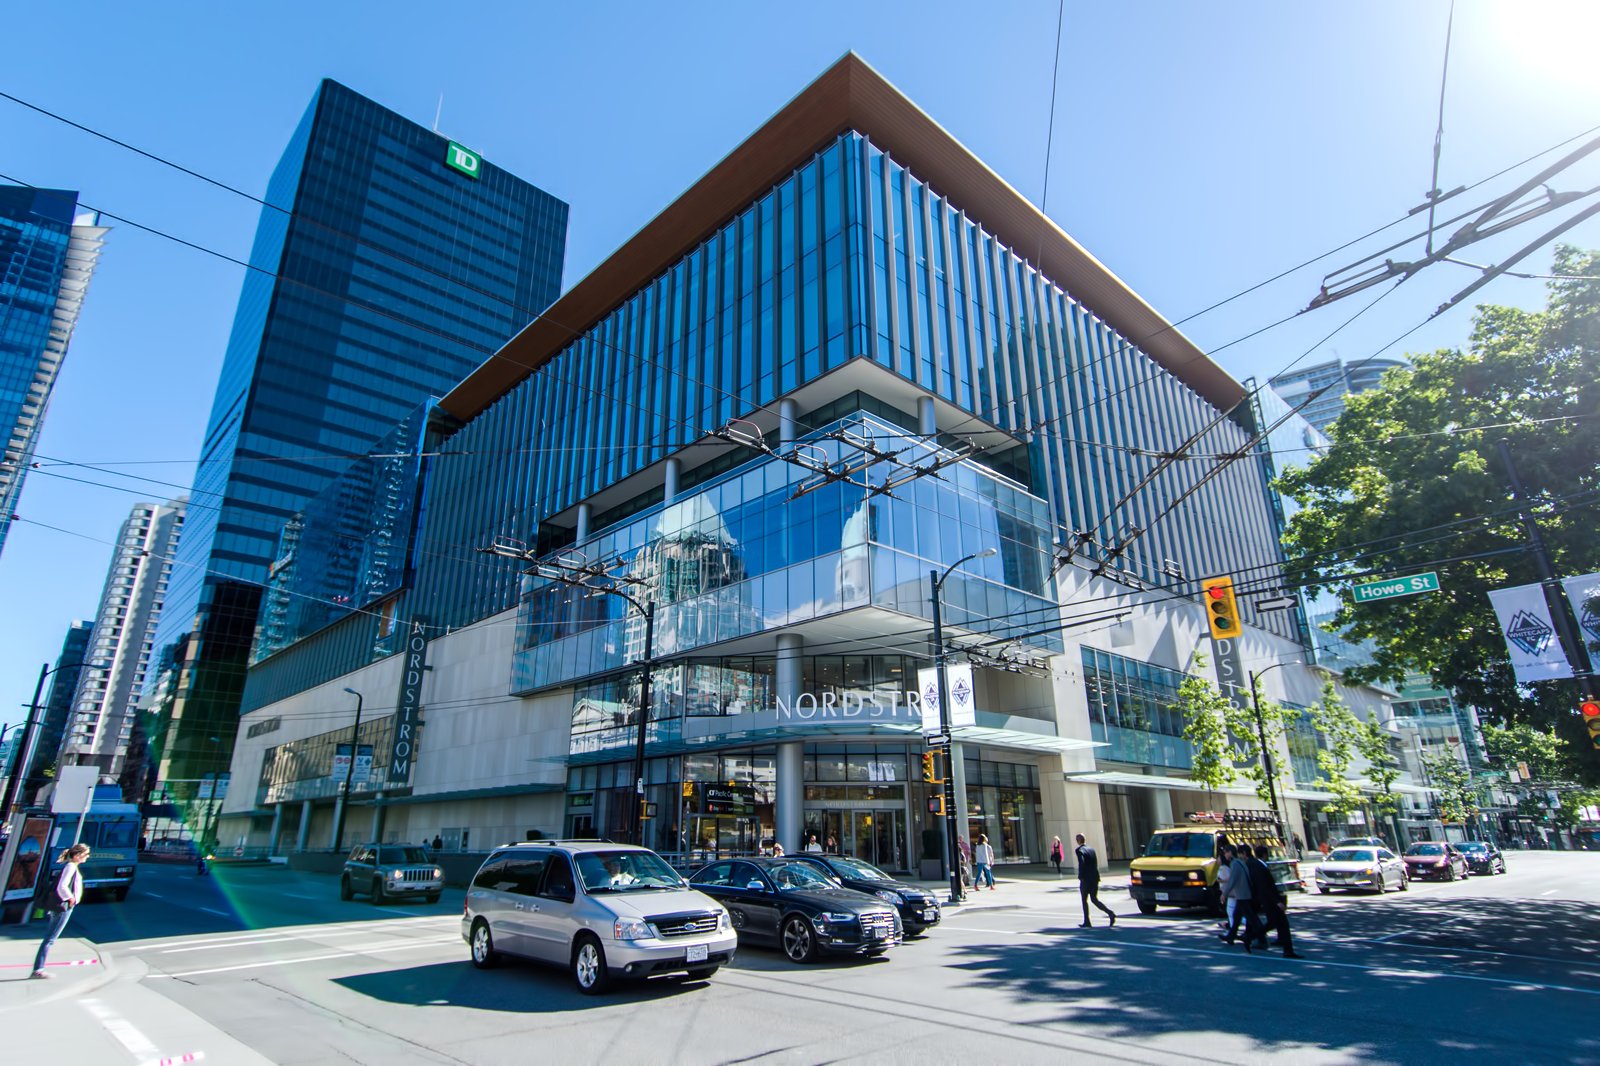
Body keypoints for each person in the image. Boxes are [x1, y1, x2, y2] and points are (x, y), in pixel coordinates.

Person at [32, 843, 89, 978]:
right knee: (50, 939)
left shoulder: (71, 866)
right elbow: (62, 886)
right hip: (63, 907)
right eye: (86, 854)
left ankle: (38, 968)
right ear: (77, 855)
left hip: (62, 906)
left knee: (49, 938)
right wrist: (70, 899)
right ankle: (38, 969)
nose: (88, 857)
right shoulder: (71, 867)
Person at [1244, 844, 1301, 958]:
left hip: (1267, 900)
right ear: (1265, 855)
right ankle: (1287, 950)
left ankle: (1250, 937)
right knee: (1282, 924)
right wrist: (1277, 901)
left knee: (1273, 924)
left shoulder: (1256, 865)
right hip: (1269, 900)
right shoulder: (1259, 867)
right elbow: (1266, 887)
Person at [1222, 844, 1264, 949]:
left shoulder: (1235, 863)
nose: (1224, 855)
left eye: (1226, 852)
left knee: (1252, 919)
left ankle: (1262, 939)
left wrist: (1224, 893)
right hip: (1243, 894)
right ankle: (1231, 936)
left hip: (1243, 895)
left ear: (1230, 853)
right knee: (1237, 917)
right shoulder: (1240, 862)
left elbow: (1232, 880)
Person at [1073, 834, 1115, 927]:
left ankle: (1087, 921)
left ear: (1078, 841)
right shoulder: (1092, 849)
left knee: (1084, 900)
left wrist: (1081, 875)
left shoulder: (1079, 850)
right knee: (1094, 899)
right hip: (1095, 877)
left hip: (1086, 878)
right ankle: (1110, 913)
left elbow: (1082, 863)